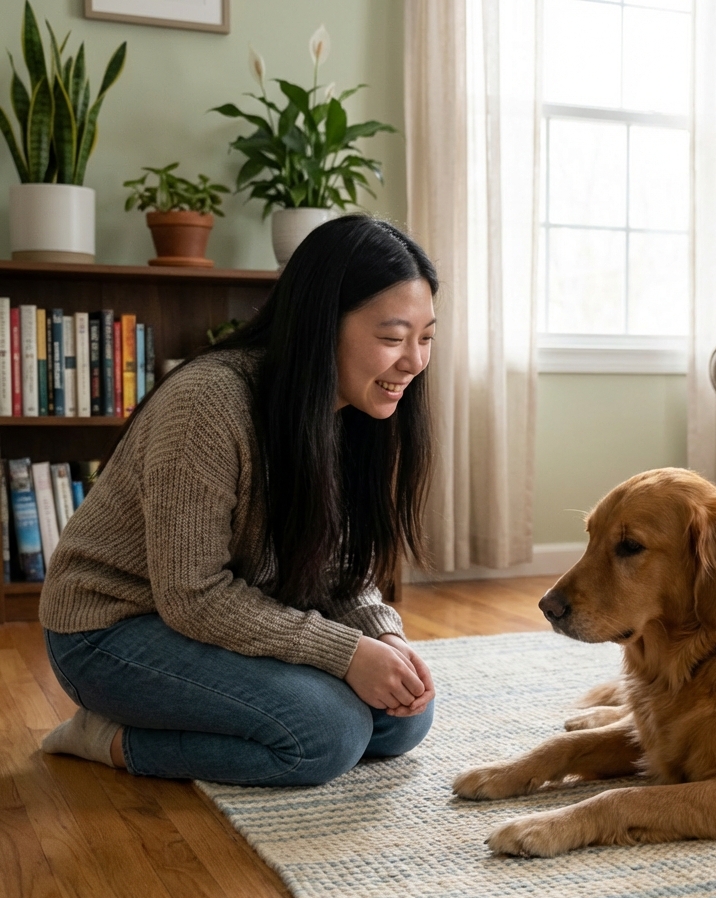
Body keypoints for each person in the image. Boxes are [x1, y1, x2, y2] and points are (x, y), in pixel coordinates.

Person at [38, 216, 438, 786]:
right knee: (327, 733)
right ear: (321, 326)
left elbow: (338, 564)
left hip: (216, 615)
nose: (414, 361)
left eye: (426, 338)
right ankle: (106, 737)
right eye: (393, 338)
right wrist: (346, 654)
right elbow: (192, 594)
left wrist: (383, 635)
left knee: (403, 720)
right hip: (110, 630)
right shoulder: (208, 402)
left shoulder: (353, 409)